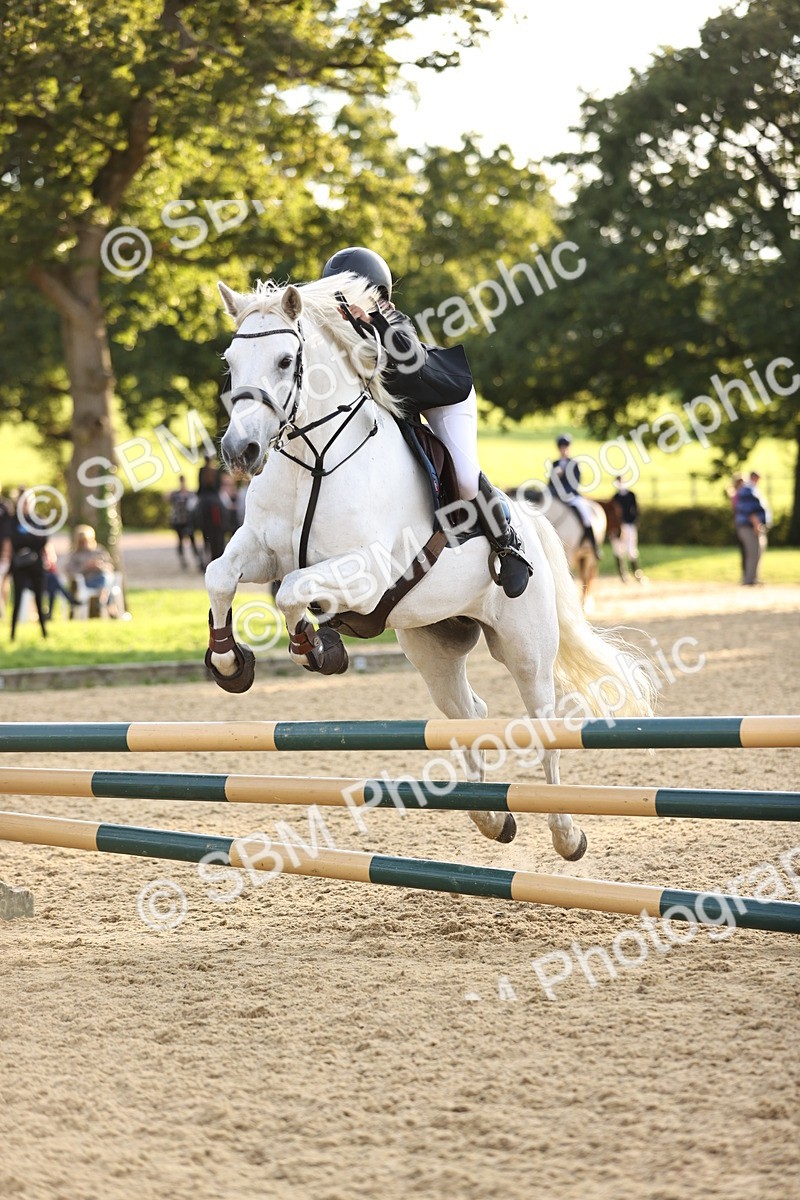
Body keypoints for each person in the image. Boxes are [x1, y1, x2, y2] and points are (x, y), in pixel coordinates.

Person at [321, 246, 531, 598]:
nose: (340, 304)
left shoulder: (393, 319)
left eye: (347, 294)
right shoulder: (337, 330)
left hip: (445, 398)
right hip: (401, 411)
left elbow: (410, 359)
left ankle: (508, 543)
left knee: (464, 480)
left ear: (376, 293)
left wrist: (372, 320)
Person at [547, 435, 601, 557]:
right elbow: (550, 483)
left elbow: (575, 482)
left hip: (572, 496)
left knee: (585, 514)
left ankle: (593, 545)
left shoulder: (574, 464)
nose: (564, 450)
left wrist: (564, 476)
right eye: (562, 447)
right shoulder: (555, 464)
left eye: (566, 447)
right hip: (557, 497)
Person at [8, 489, 49, 639]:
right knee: (17, 599)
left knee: (40, 598)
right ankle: (12, 634)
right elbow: (15, 540)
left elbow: (43, 540)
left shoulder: (39, 519)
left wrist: (28, 542)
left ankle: (44, 633)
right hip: (19, 566)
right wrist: (30, 541)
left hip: (36, 564)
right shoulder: (13, 521)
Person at [67, 525, 116, 611]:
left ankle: (103, 597)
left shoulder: (99, 551)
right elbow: (70, 571)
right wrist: (85, 566)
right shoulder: (76, 555)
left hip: (103, 578)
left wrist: (99, 566)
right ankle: (109, 605)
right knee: (106, 579)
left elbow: (110, 567)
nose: (84, 544)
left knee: (106, 576)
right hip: (88, 581)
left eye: (86, 541)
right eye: (81, 541)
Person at [734, 471, 770, 586]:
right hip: (749, 527)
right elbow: (750, 510)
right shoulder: (748, 490)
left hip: (751, 526)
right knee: (753, 552)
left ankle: (753, 578)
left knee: (756, 552)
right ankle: (749, 580)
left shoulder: (750, 489)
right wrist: (756, 525)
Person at [196, 455, 226, 567]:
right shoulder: (216, 470)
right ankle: (226, 524)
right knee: (225, 507)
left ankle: (192, 524)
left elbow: (199, 487)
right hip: (215, 497)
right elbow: (218, 487)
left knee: (192, 508)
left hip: (203, 497)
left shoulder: (201, 470)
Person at [611, 477, 642, 582]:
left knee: (631, 549)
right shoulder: (615, 497)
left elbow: (635, 510)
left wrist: (633, 522)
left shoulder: (630, 495)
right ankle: (622, 573)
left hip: (629, 525)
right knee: (618, 549)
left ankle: (636, 571)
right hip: (618, 527)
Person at [168, 475, 201, 570]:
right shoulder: (176, 494)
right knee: (180, 540)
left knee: (192, 540)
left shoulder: (190, 494)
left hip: (188, 521)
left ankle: (197, 559)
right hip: (178, 521)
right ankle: (183, 560)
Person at [42, 544, 76, 619]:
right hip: (39, 583)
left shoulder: (50, 557)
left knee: (53, 588)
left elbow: (53, 570)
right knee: (53, 580)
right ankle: (70, 598)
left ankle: (49, 614)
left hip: (49, 584)